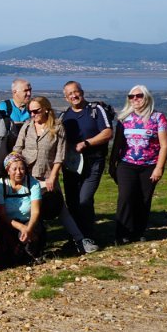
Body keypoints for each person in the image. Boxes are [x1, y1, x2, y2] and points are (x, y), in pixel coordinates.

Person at [11, 96, 98, 254]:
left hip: (47, 176)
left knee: (60, 209)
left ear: (45, 109)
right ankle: (34, 244)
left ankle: (80, 240)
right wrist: (15, 166)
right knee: (29, 211)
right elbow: (18, 147)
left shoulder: (57, 127)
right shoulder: (27, 126)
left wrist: (53, 177)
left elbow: (60, 155)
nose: (33, 115)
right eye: (30, 111)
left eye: (36, 111)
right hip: (27, 175)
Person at [110, 85, 167, 245]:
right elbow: (117, 144)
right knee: (125, 197)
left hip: (150, 165)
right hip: (126, 164)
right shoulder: (124, 118)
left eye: (139, 96)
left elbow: (165, 145)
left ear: (147, 97)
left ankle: (138, 231)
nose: (135, 99)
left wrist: (159, 167)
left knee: (143, 199)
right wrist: (112, 163)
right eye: (131, 96)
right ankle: (122, 233)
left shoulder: (158, 118)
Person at [60, 81, 114, 244]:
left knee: (84, 199)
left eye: (76, 92)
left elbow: (108, 132)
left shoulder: (96, 110)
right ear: (66, 98)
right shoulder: (64, 116)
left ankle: (89, 234)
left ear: (82, 92)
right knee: (72, 201)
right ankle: (76, 236)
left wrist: (87, 143)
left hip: (93, 161)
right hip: (72, 164)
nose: (74, 96)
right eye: (70, 94)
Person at [0, 153, 44, 265]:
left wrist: (28, 228)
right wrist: (21, 227)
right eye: (14, 169)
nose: (18, 172)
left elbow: (36, 211)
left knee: (30, 235)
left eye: (21, 168)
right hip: (9, 222)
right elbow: (2, 214)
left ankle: (33, 251)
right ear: (7, 170)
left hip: (29, 221)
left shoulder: (33, 183)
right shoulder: (0, 185)